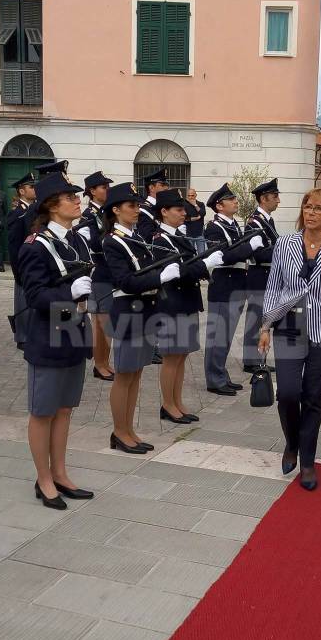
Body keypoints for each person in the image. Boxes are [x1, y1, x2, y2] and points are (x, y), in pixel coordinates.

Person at [258, 188, 321, 491]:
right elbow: (274, 287)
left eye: (318, 209)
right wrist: (265, 326)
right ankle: (292, 442)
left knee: (313, 397)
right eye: (307, 207)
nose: (310, 213)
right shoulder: (285, 244)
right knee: (287, 393)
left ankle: (309, 462)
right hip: (288, 327)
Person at [16, 171, 96, 510]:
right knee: (43, 411)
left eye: (76, 196)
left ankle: (60, 472)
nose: (77, 200)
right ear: (51, 206)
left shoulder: (76, 239)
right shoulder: (35, 245)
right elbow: (34, 295)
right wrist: (69, 293)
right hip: (48, 337)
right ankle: (43, 479)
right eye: (69, 197)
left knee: (64, 410)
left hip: (74, 332)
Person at [102, 182, 181, 454]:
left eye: (137, 204)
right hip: (128, 313)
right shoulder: (113, 241)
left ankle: (129, 430)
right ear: (116, 209)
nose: (137, 209)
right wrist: (160, 276)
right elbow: (124, 280)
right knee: (124, 376)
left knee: (135, 375)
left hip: (145, 311)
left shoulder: (134, 237)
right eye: (131, 205)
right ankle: (119, 431)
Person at [152, 188, 223, 423]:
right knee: (172, 357)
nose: (184, 213)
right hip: (172, 304)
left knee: (181, 356)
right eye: (178, 209)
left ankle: (177, 402)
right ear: (164, 211)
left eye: (184, 209)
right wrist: (205, 265)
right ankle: (167, 404)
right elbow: (177, 271)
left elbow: (187, 265)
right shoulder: (159, 240)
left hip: (186, 301)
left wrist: (201, 265)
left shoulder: (178, 237)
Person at [203, 184, 265, 395]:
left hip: (237, 284)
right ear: (219, 206)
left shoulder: (232, 225)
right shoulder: (214, 227)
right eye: (231, 199)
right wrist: (251, 247)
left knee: (226, 336)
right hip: (224, 285)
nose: (235, 201)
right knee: (217, 337)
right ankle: (214, 379)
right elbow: (225, 256)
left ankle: (221, 375)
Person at [78, 170, 115, 380]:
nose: (107, 190)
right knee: (101, 322)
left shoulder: (106, 213)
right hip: (98, 273)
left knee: (107, 322)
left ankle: (105, 362)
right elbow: (91, 244)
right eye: (103, 187)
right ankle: (99, 364)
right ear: (92, 191)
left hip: (110, 273)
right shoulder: (89, 216)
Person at [242, 179, 280, 373]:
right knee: (255, 319)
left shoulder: (267, 220)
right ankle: (250, 360)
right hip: (259, 274)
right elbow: (255, 254)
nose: (278, 200)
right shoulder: (254, 222)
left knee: (265, 319)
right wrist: (281, 249)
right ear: (264, 199)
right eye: (275, 197)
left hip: (269, 274)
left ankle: (259, 358)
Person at [6, 171, 37, 348]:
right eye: (31, 187)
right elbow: (14, 245)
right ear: (21, 191)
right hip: (23, 266)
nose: (35, 190)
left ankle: (30, 333)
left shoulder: (34, 210)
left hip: (33, 264)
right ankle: (22, 337)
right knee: (23, 301)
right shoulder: (16, 213)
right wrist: (18, 272)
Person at [137, 168, 169, 242]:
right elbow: (147, 238)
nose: (166, 188)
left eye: (166, 184)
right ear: (151, 188)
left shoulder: (163, 207)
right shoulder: (144, 210)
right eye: (162, 185)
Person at [184, 187, 207, 252]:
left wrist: (195, 205)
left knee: (201, 253)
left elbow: (203, 213)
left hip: (199, 233)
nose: (190, 197)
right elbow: (184, 218)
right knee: (190, 253)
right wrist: (196, 218)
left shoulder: (200, 204)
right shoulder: (184, 205)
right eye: (189, 195)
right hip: (188, 233)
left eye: (192, 195)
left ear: (196, 195)